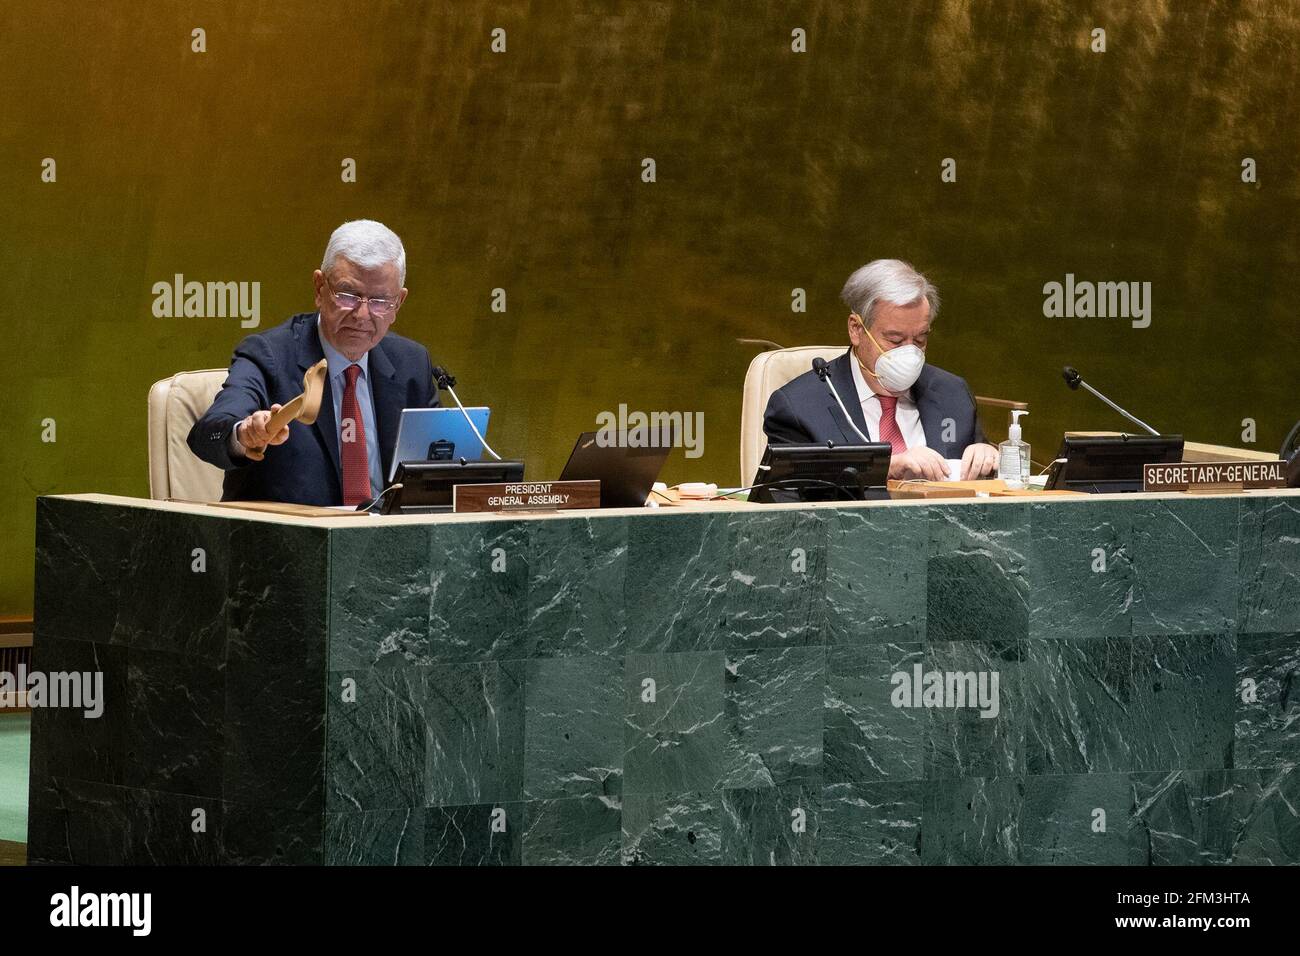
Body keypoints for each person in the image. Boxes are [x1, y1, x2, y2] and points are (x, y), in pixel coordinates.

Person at [187, 219, 438, 505]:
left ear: (399, 304)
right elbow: (208, 433)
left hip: (389, 544)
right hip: (291, 542)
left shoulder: (412, 364)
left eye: (381, 301)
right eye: (348, 295)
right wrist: (245, 434)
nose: (362, 315)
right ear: (320, 288)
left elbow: (441, 474)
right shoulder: (268, 355)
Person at [763, 259, 998, 481]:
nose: (909, 352)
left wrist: (987, 459)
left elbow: (980, 489)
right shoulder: (797, 406)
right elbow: (789, 497)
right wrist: (888, 467)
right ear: (856, 329)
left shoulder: (952, 393)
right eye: (894, 340)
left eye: (919, 339)